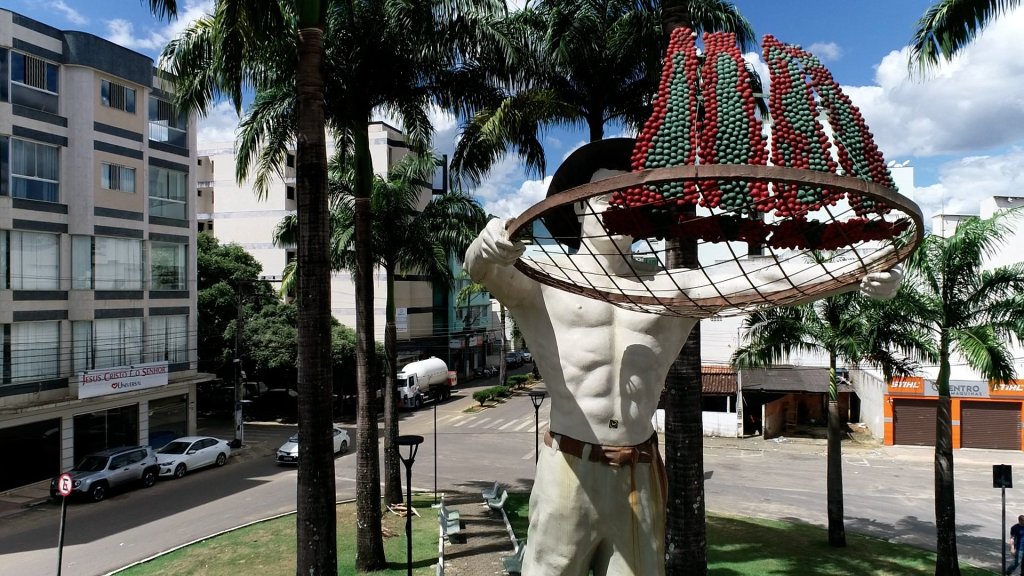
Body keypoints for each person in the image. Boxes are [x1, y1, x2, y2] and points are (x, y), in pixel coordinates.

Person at [464, 138, 903, 576]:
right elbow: (485, 268)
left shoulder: (671, 289)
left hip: (639, 473)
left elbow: (763, 276)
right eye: (604, 196)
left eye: (628, 198)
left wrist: (861, 268)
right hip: (568, 469)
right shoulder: (543, 279)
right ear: (578, 209)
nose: (616, 208)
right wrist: (484, 247)